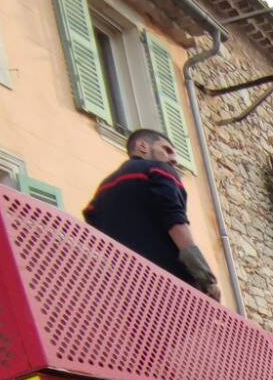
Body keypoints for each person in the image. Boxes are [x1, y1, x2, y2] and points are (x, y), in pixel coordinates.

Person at [83, 129, 220, 300]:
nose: (174, 160)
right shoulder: (158, 170)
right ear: (142, 146)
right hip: (168, 288)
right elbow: (175, 220)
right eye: (167, 150)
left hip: (122, 291)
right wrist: (205, 277)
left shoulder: (101, 192)